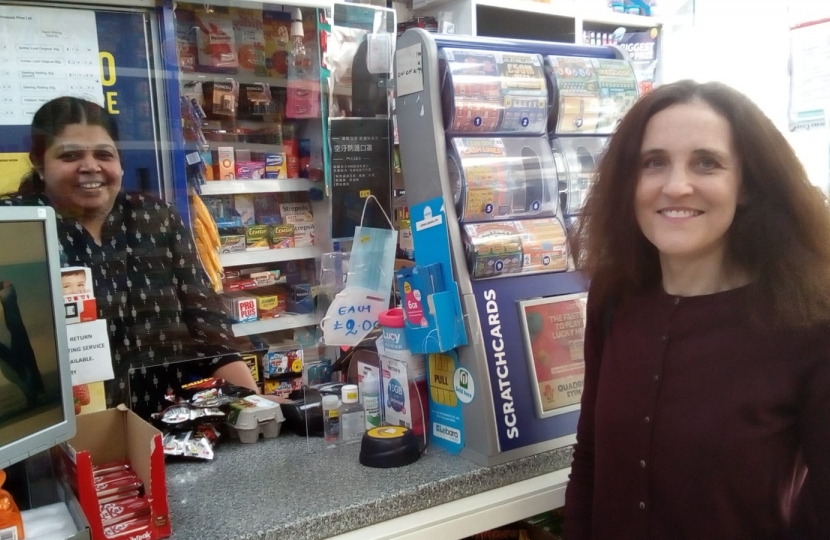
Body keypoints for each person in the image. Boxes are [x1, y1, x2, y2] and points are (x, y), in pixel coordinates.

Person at [564, 80, 830, 539]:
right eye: (654, 163)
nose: (676, 186)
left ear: (747, 185)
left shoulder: (808, 325)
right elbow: (590, 459)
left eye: (707, 163)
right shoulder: (613, 299)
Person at [1, 96, 258, 417]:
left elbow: (208, 325)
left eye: (103, 154)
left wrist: (252, 404)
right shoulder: (14, 225)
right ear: (39, 163)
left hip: (177, 418)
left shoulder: (155, 217)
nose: (90, 166)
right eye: (70, 155)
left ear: (119, 162)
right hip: (71, 427)